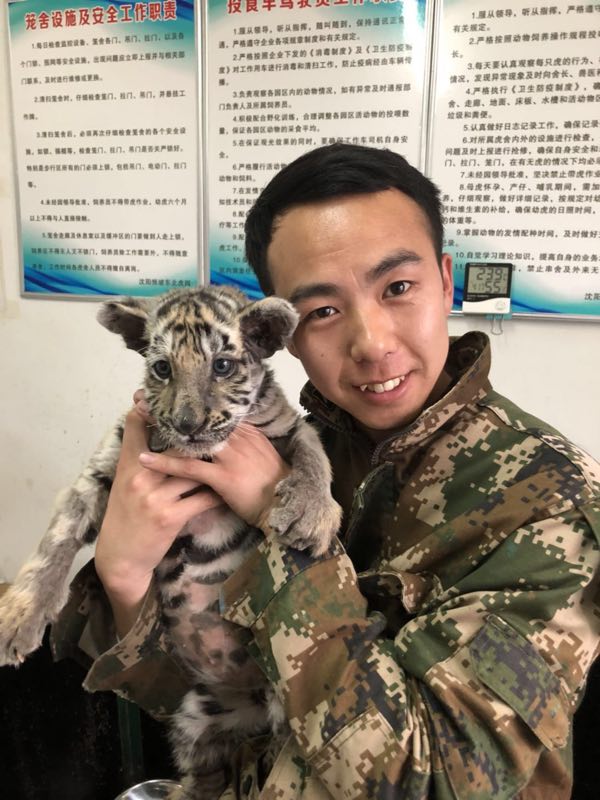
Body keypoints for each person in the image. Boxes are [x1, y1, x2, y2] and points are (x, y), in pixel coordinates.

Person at [53, 143, 600, 799]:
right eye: (322, 311)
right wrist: (125, 579)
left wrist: (287, 531)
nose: (372, 343)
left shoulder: (549, 498)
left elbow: (430, 784)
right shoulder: (278, 447)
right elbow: (204, 695)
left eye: (398, 288)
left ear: (446, 281)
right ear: (277, 334)